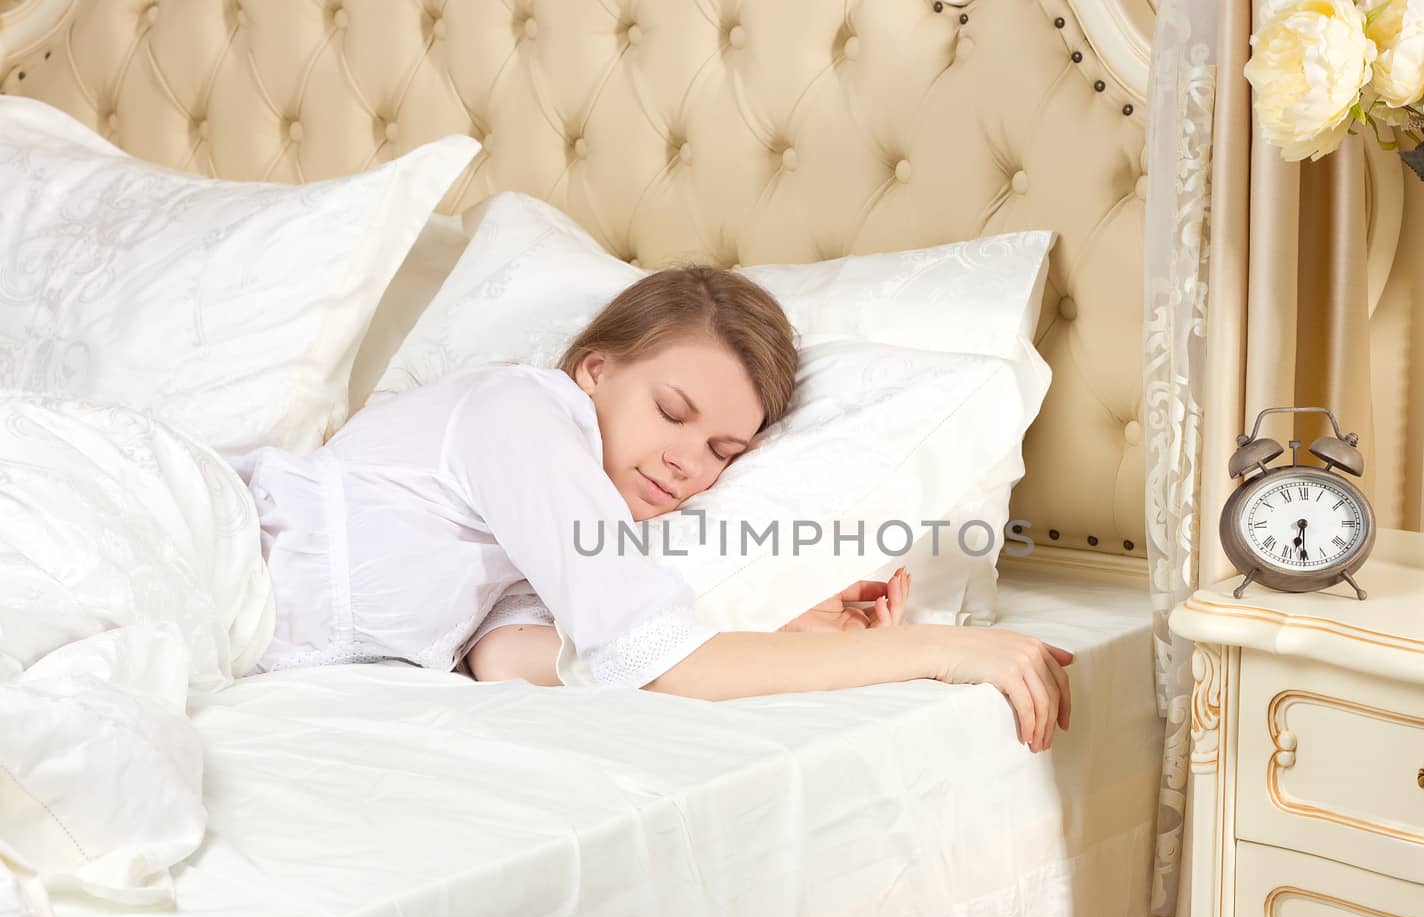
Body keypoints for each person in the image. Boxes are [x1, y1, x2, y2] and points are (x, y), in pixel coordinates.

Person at [232, 267, 1072, 752]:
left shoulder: (547, 522)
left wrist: (775, 639)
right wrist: (948, 650)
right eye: (673, 413)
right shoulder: (522, 415)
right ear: (594, 370)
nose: (685, 462)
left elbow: (516, 660)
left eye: (722, 453)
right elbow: (671, 664)